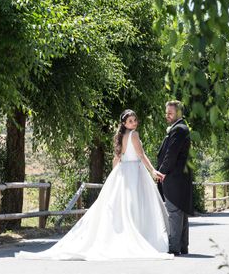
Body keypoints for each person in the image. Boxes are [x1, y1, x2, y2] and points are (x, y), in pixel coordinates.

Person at [15, 109, 173, 261]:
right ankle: (140, 237)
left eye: (135, 120)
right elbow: (141, 154)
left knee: (122, 207)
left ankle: (122, 238)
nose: (134, 123)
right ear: (124, 123)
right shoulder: (134, 134)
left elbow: (116, 159)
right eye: (130, 121)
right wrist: (152, 170)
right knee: (137, 205)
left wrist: (114, 176)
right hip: (134, 171)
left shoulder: (120, 136)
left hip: (123, 171)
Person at [155, 100, 193, 255]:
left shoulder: (179, 129)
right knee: (180, 212)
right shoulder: (181, 128)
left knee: (174, 213)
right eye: (166, 112)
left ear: (178, 113)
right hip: (179, 178)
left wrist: (161, 172)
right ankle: (182, 246)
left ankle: (174, 247)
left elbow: (171, 154)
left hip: (174, 178)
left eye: (170, 113)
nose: (167, 116)